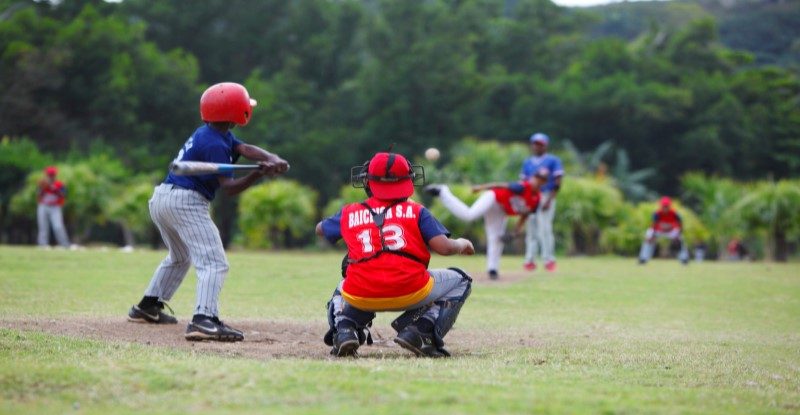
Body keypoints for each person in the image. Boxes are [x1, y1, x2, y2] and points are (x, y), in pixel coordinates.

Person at [127, 82, 290, 342]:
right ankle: (204, 319)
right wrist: (258, 174)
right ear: (238, 113)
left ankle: (148, 306)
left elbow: (244, 149)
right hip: (185, 202)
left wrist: (271, 158)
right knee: (214, 262)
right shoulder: (215, 144)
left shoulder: (213, 133)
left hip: (163, 198)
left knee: (179, 257)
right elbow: (231, 188)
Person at [317, 151, 475, 358]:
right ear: (408, 180)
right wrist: (462, 244)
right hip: (412, 290)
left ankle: (345, 329)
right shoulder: (417, 211)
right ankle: (420, 332)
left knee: (343, 285)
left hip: (362, 294)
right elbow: (444, 248)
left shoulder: (350, 212)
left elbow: (321, 229)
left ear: (367, 181)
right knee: (462, 279)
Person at [425, 170, 546, 281]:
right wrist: (480, 188)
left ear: (544, 182)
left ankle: (492, 269)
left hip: (501, 210)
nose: (536, 180)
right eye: (535, 177)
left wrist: (514, 232)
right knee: (469, 215)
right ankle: (443, 191)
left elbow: (524, 216)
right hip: (493, 197)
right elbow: (499, 185)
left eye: (540, 178)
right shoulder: (523, 187)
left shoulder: (536, 200)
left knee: (496, 238)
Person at [520, 132, 563, 272]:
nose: (537, 146)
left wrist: (550, 199)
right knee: (531, 230)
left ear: (545, 145)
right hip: (531, 197)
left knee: (545, 228)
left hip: (545, 195)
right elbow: (523, 183)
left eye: (540, 144)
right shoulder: (528, 162)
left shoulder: (552, 160)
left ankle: (548, 259)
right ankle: (530, 259)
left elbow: (557, 182)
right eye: (535, 143)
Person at [638, 196, 689, 265]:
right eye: (664, 206)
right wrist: (652, 236)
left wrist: (677, 234)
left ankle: (684, 259)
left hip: (671, 231)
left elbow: (679, 224)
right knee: (648, 238)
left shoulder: (674, 213)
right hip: (659, 230)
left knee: (680, 240)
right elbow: (653, 225)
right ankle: (643, 258)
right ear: (661, 206)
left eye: (666, 206)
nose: (665, 207)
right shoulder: (657, 213)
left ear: (669, 206)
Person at [36, 166, 71, 248]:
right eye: (49, 175)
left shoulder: (59, 184)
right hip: (43, 206)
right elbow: (38, 195)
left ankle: (65, 245)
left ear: (55, 175)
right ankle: (42, 245)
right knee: (43, 226)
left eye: (52, 175)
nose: (51, 176)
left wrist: (55, 189)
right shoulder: (42, 183)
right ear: (46, 175)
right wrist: (43, 188)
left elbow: (64, 194)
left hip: (55, 207)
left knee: (58, 226)